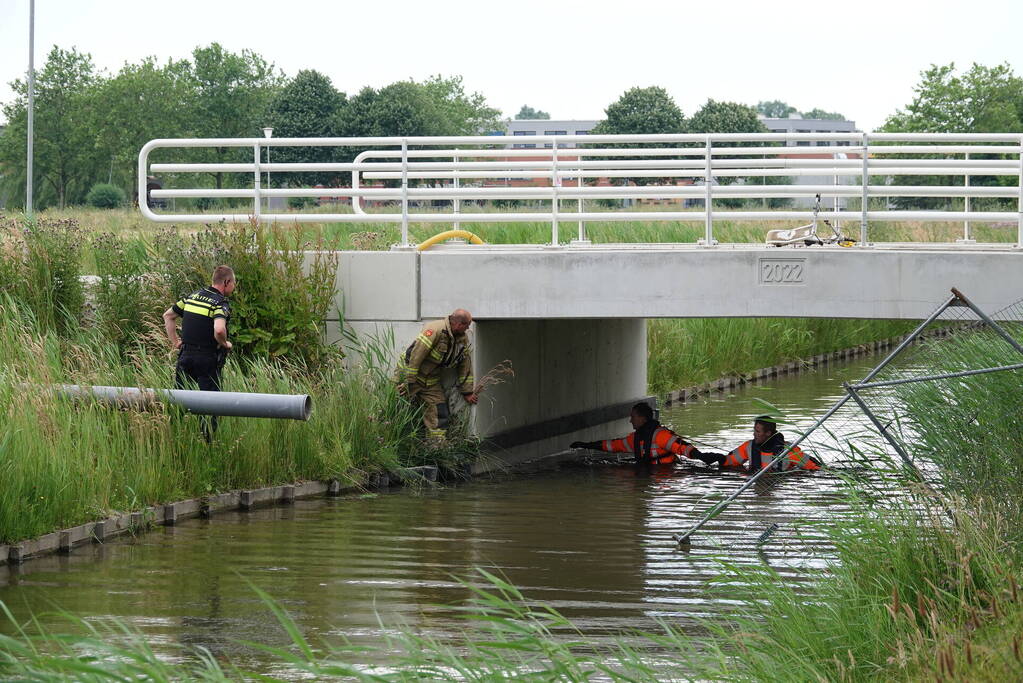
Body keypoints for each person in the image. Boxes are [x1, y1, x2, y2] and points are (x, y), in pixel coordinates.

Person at [163, 265, 236, 441]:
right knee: (210, 406)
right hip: (207, 360)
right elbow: (219, 330)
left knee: (179, 402)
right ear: (226, 282)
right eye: (234, 283)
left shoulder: (192, 296)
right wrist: (224, 343)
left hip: (185, 357)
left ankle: (174, 439)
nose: (234, 287)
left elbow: (168, 315)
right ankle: (207, 443)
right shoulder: (219, 302)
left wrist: (175, 343)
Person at [397, 309, 478, 441]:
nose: (469, 328)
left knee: (439, 413)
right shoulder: (434, 330)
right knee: (397, 407)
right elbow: (415, 356)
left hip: (430, 382)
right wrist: (408, 382)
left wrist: (467, 391)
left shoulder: (462, 339)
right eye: (467, 325)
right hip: (410, 376)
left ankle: (437, 446)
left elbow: (465, 364)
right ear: (458, 324)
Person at [569, 401, 703, 465]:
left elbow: (684, 448)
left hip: (668, 473)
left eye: (632, 417)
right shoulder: (635, 439)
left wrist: (706, 457)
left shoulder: (661, 435)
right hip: (650, 474)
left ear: (642, 418)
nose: (630, 421)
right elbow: (613, 445)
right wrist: (587, 445)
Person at [695, 416, 821, 471]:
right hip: (756, 479)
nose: (754, 434)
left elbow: (815, 468)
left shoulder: (788, 450)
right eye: (754, 430)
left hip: (778, 484)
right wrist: (718, 458)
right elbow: (730, 461)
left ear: (768, 433)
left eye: (757, 431)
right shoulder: (749, 447)